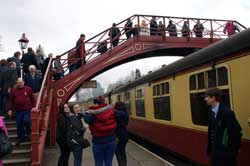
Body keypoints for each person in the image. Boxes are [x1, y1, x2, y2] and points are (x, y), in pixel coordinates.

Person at [205, 88, 242, 166]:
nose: (205, 99)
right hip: (215, 153)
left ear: (213, 98)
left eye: (207, 97)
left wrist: (231, 152)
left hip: (226, 156)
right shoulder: (211, 112)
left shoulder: (227, 113)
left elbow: (236, 134)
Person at [83, 97, 117, 166]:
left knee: (98, 163)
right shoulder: (111, 111)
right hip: (111, 141)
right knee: (109, 162)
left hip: (98, 142)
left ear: (95, 104)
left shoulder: (91, 115)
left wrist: (88, 112)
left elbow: (86, 118)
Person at [7, 78, 35, 145]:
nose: (20, 84)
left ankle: (28, 134)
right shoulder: (14, 91)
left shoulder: (28, 89)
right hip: (18, 111)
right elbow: (11, 101)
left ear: (23, 82)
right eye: (18, 83)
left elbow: (32, 99)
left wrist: (34, 107)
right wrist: (9, 109)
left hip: (27, 110)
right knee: (19, 125)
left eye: (21, 82)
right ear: (17, 83)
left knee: (27, 122)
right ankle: (21, 138)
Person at [114, 102, 129, 166]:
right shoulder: (126, 113)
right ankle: (124, 164)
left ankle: (121, 164)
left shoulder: (117, 114)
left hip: (117, 135)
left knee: (117, 151)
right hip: (124, 134)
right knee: (122, 151)